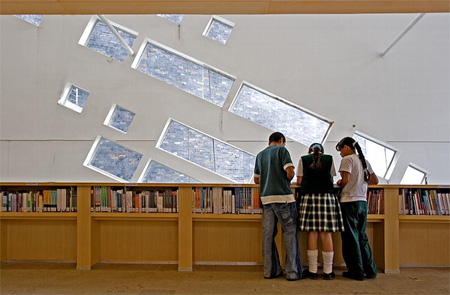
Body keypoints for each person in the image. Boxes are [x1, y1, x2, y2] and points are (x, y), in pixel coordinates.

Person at [254, 132, 303, 281]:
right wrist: (285, 179)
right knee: (290, 232)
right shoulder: (282, 150)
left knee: (268, 235)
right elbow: (290, 172)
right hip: (283, 198)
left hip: (266, 199)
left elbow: (257, 180)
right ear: (281, 140)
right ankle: (292, 272)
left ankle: (270, 271)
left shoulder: (260, 155)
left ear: (269, 141)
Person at [296, 143, 344, 280]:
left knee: (312, 232)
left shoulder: (303, 159)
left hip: (309, 197)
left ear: (309, 151)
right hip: (327, 197)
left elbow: (299, 181)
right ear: (322, 151)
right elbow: (331, 177)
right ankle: (328, 271)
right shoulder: (329, 159)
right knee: (326, 233)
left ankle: (312, 271)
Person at [335, 137, 379, 281]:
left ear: (346, 147)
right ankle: (371, 269)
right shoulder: (364, 161)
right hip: (363, 201)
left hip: (349, 201)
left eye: (340, 149)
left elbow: (345, 180)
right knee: (362, 236)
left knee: (350, 238)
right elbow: (374, 180)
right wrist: (360, 181)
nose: (340, 153)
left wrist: (340, 182)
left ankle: (356, 271)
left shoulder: (348, 160)